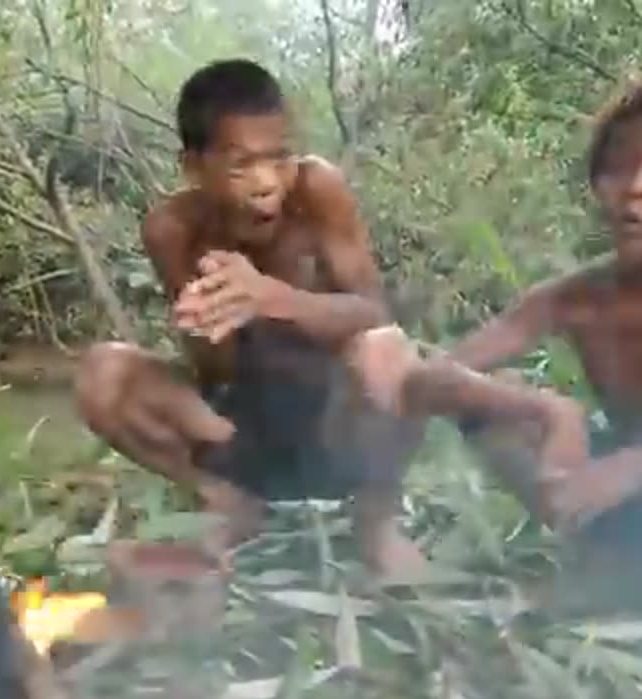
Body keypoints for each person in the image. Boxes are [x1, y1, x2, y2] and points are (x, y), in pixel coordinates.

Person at [350, 68, 642, 571]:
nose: (636, 188)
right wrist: (546, 409)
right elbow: (433, 378)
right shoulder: (574, 298)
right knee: (491, 402)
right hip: (633, 511)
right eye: (618, 167)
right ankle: (616, 562)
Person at [74, 59, 427, 576]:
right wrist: (210, 319)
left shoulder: (317, 191)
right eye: (240, 165)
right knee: (103, 374)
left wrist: (272, 298)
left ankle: (375, 518)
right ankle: (231, 503)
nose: (267, 183)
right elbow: (215, 372)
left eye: (278, 158)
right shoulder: (172, 229)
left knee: (385, 351)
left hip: (336, 425)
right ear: (194, 168)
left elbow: (373, 313)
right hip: (244, 429)